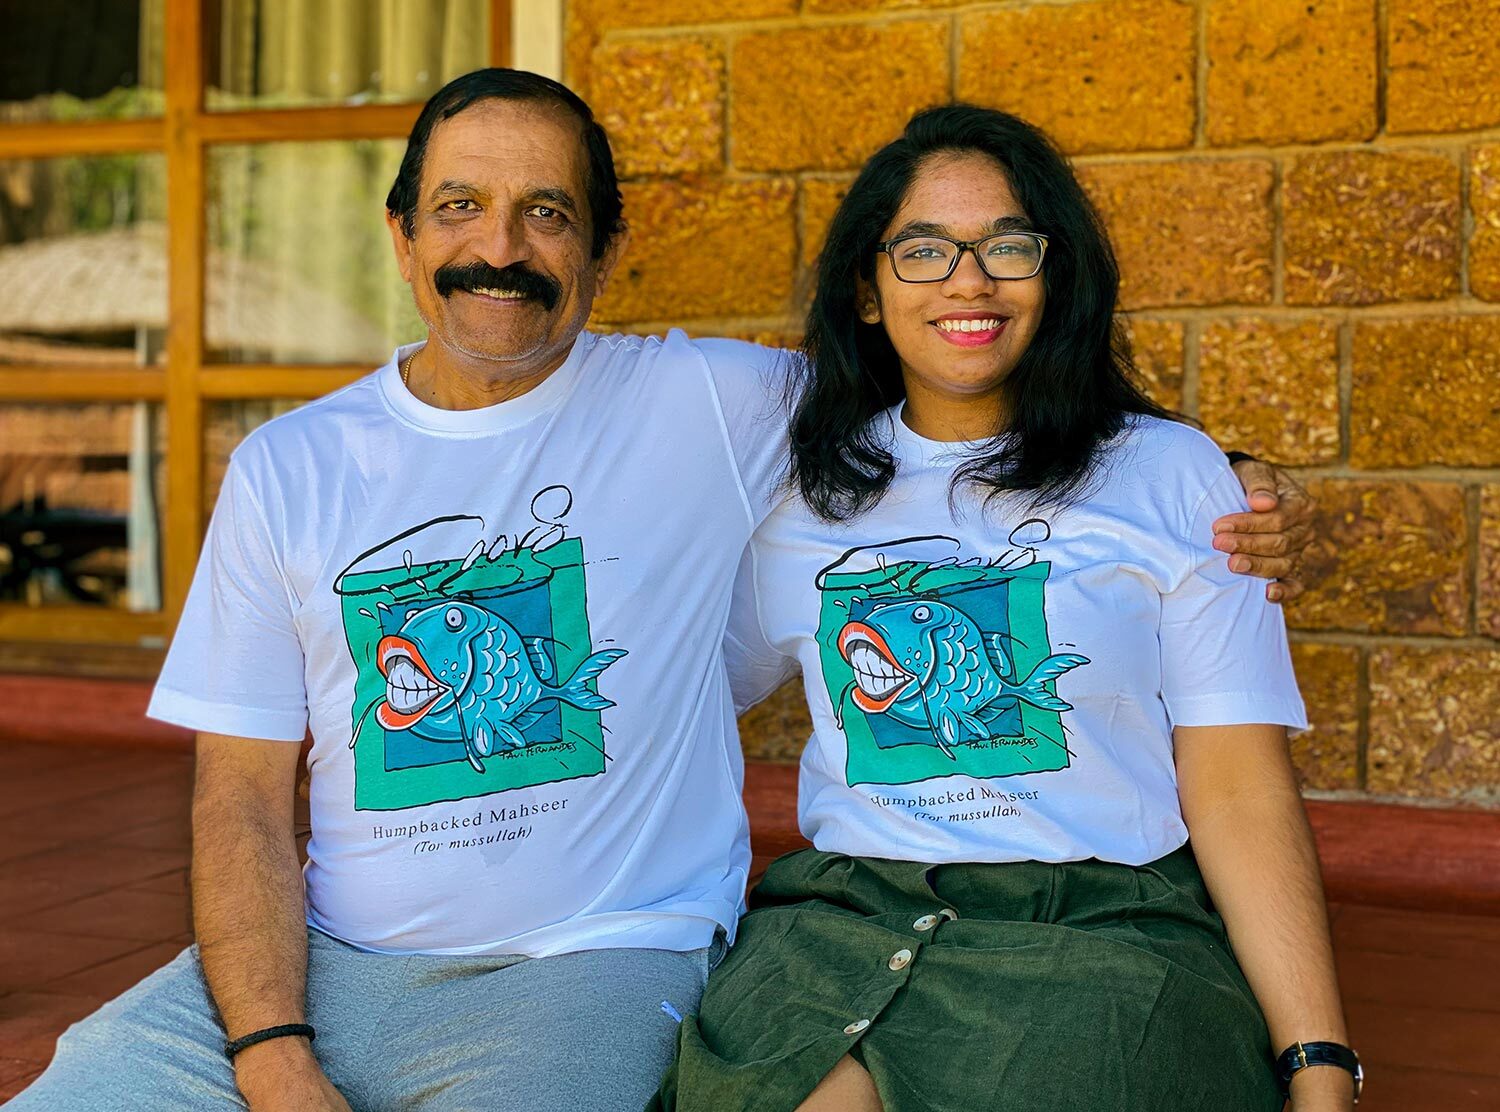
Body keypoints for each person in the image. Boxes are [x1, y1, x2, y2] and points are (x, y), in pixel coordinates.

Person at [8, 73, 1315, 1112]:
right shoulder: (289, 468)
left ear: (607, 249)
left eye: (549, 213)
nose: (499, 250)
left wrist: (1218, 483)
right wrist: (273, 1048)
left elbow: (964, 394)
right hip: (325, 961)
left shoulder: (717, 402)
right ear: (402, 234)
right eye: (459, 208)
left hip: (596, 958)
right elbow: (237, 796)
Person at [652, 105, 1355, 1112]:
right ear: (867, 287)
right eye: (925, 249)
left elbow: (1240, 786)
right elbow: (671, 688)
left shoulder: (1173, 476)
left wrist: (1319, 1062)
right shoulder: (797, 494)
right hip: (842, 926)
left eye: (1006, 246)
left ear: (1055, 272)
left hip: (1098, 934)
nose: (968, 280)